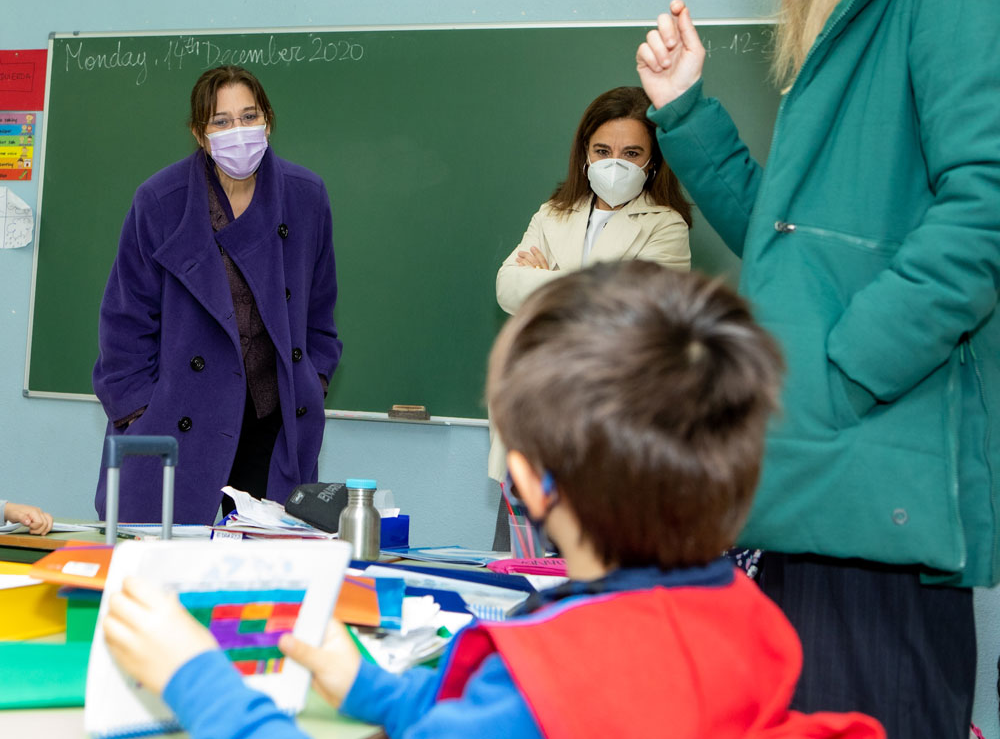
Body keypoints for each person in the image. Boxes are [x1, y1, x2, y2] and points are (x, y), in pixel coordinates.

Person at [101, 262, 885, 739]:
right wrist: (375, 690)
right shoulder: (743, 613)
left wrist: (193, 675)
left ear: (531, 479)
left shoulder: (551, 679)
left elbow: (519, 719)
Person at [635, 0, 1000, 735]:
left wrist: (842, 376)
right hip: (817, 477)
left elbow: (987, 209)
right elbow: (788, 249)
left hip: (865, 480)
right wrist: (685, 115)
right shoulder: (856, 9)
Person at [92, 65, 342, 525]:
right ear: (199, 133)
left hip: (272, 429)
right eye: (221, 121)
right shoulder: (161, 201)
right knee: (167, 576)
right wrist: (140, 414)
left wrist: (313, 382)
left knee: (263, 580)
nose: (238, 131)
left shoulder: (306, 196)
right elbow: (124, 322)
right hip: (177, 426)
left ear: (268, 119)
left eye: (249, 116)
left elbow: (320, 313)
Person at [489, 85, 693, 546]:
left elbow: (632, 313)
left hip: (612, 434)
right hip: (532, 425)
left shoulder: (667, 226)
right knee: (521, 581)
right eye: (603, 150)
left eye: (631, 152)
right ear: (585, 152)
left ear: (653, 161)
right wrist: (592, 285)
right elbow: (507, 288)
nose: (614, 162)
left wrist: (550, 280)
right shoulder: (552, 213)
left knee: (593, 587)